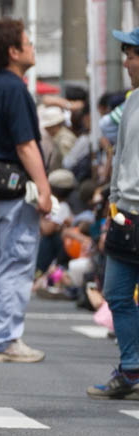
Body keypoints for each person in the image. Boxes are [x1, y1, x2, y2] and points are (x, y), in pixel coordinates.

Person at [0, 19, 51, 364]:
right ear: (14, 52)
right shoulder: (16, 89)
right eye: (28, 43)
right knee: (17, 264)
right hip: (16, 190)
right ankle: (7, 339)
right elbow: (26, 145)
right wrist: (45, 189)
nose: (32, 47)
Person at [88, 26, 139, 398]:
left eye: (132, 54)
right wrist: (113, 205)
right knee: (117, 293)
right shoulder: (131, 101)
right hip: (126, 213)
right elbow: (119, 155)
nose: (126, 61)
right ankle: (133, 368)